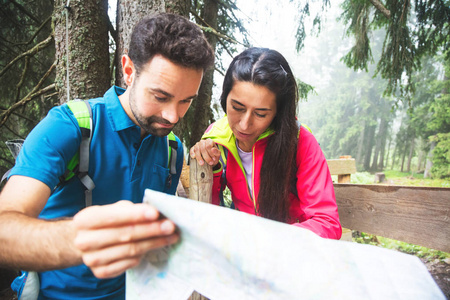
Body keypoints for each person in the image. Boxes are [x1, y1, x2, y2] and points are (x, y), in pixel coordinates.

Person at [0, 13, 214, 299]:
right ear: (128, 70)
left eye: (186, 100)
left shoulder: (172, 149)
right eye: (160, 97)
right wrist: (81, 239)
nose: (173, 115)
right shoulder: (69, 126)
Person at [190, 47, 341, 239]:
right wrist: (212, 168)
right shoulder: (216, 139)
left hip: (293, 251)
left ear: (278, 112)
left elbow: (326, 221)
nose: (245, 124)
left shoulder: (300, 142)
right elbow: (208, 212)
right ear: (225, 97)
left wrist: (273, 241)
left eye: (261, 114)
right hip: (244, 248)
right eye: (237, 107)